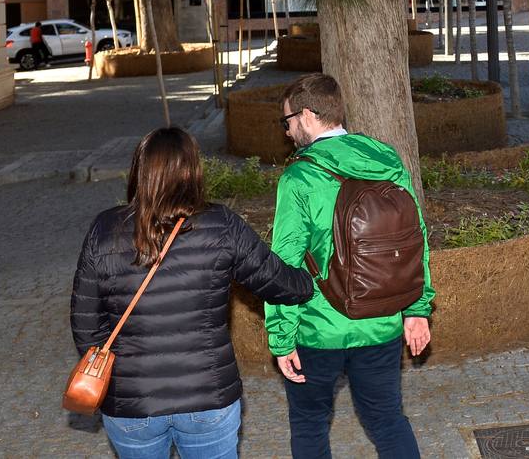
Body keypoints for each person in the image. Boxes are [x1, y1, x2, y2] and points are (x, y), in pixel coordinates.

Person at [70, 128, 314, 459]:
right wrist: (312, 279)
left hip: (131, 403)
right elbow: (277, 281)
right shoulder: (221, 224)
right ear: (192, 171)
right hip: (207, 398)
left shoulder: (105, 228)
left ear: (140, 171)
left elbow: (85, 324)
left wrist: (120, 373)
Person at [269, 73, 434, 458]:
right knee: (388, 420)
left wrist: (281, 338)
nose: (289, 131)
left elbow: (285, 265)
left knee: (310, 423)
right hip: (382, 321)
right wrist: (416, 309)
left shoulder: (299, 176)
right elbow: (414, 239)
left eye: (288, 121)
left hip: (317, 329)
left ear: (307, 116)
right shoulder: (387, 160)